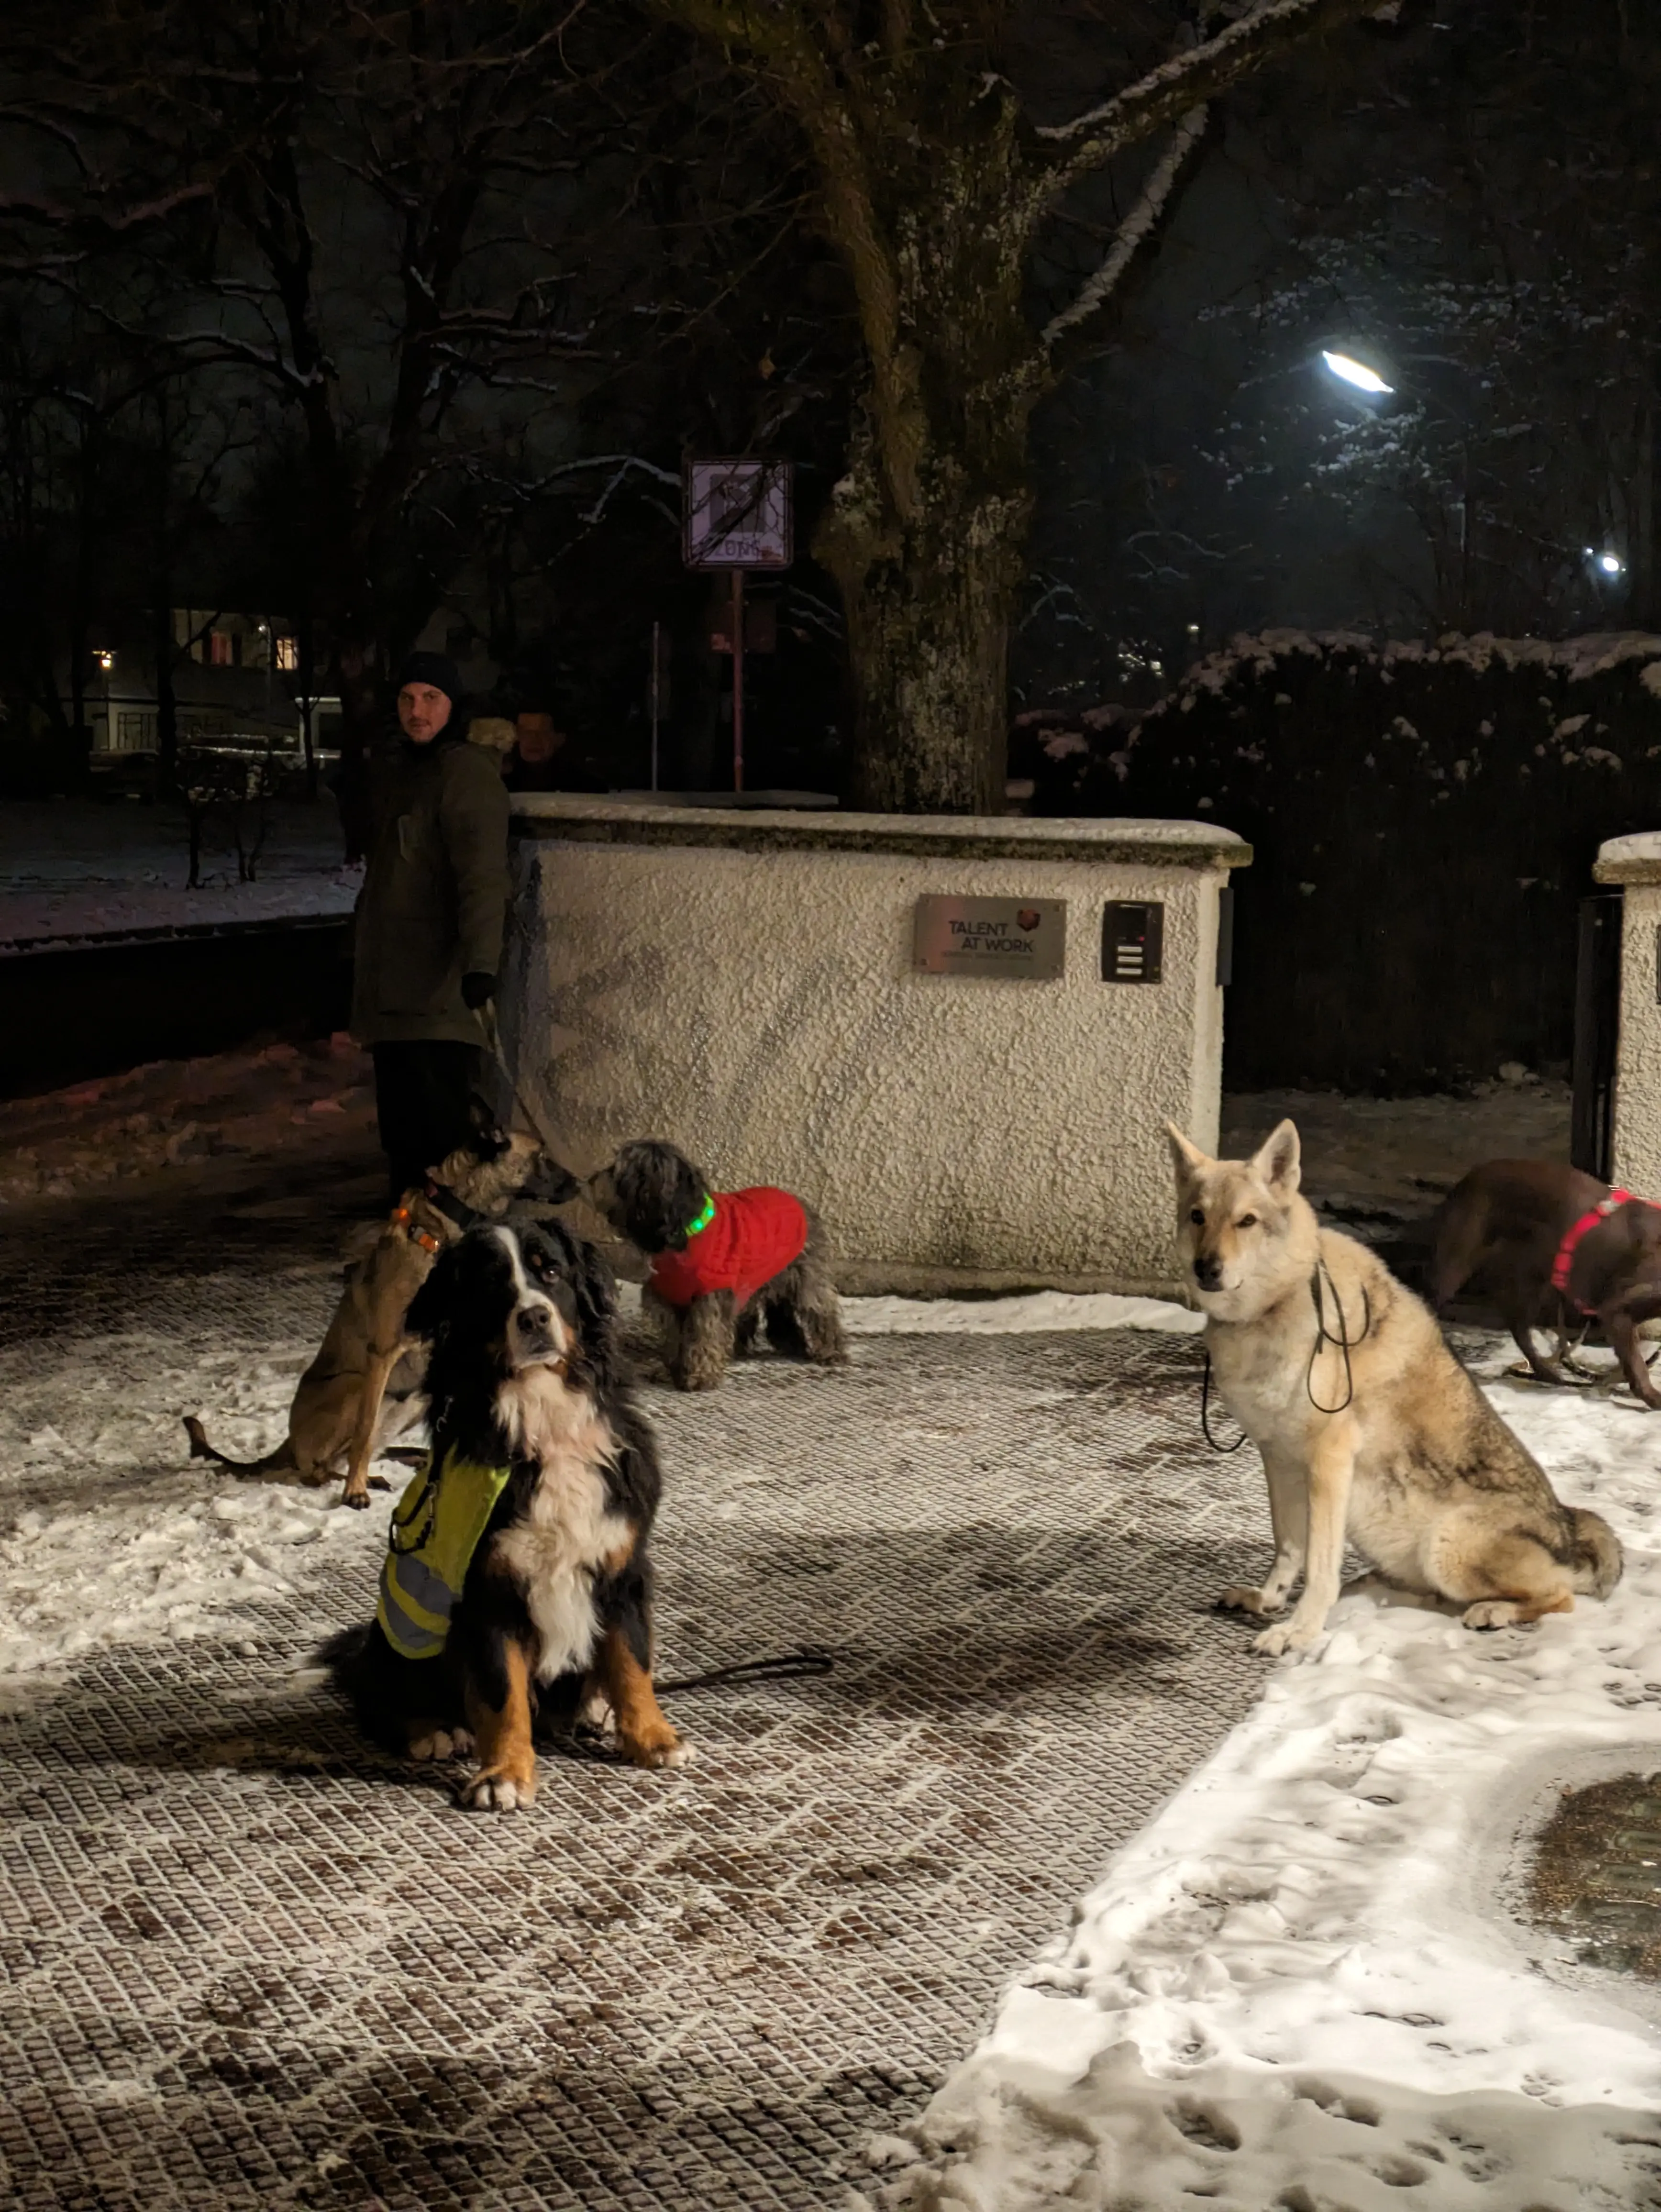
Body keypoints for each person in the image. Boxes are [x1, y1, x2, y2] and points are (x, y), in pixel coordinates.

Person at [351, 651, 510, 1202]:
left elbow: (483, 878)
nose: (417, 711)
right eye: (407, 698)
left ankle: (452, 1253)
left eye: (431, 699)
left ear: (453, 705)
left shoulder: (465, 773)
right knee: (402, 1141)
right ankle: (411, 1252)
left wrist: (481, 965)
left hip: (439, 997)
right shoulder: (406, 774)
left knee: (442, 1141)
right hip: (395, 998)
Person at [502, 696, 572, 792]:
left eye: (543, 732)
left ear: (560, 738)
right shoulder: (499, 784)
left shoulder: (582, 786)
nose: (533, 739)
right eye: (525, 732)